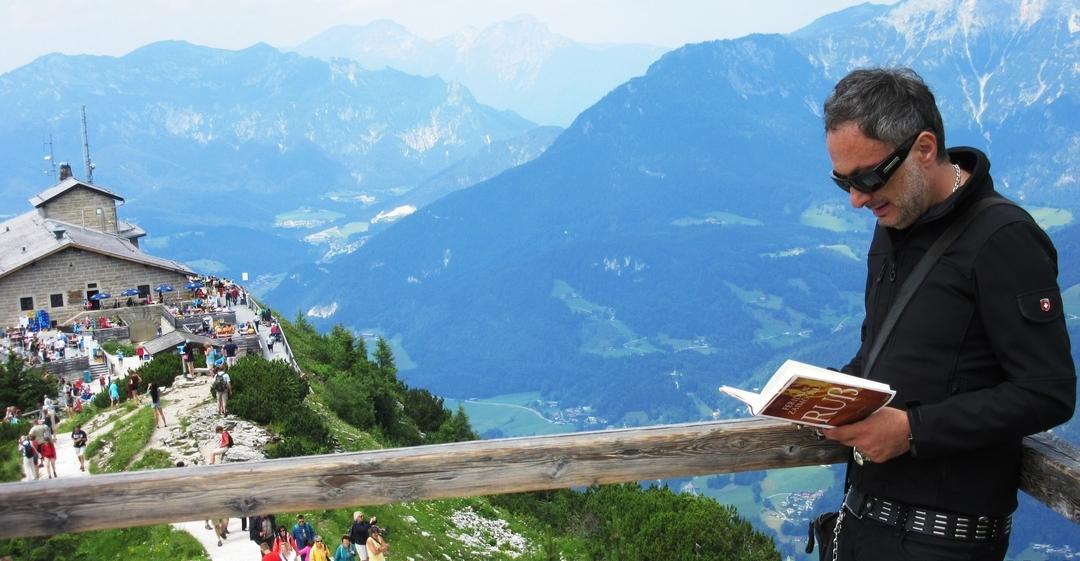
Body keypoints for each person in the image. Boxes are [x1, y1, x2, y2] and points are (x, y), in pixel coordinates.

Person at [818, 68, 1075, 561]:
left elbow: (1049, 392)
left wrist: (912, 431)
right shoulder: (893, 224)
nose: (856, 199)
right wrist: (820, 393)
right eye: (843, 181)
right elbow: (888, 353)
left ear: (925, 149)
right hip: (862, 524)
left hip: (944, 541)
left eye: (869, 176)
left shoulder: (1004, 239)